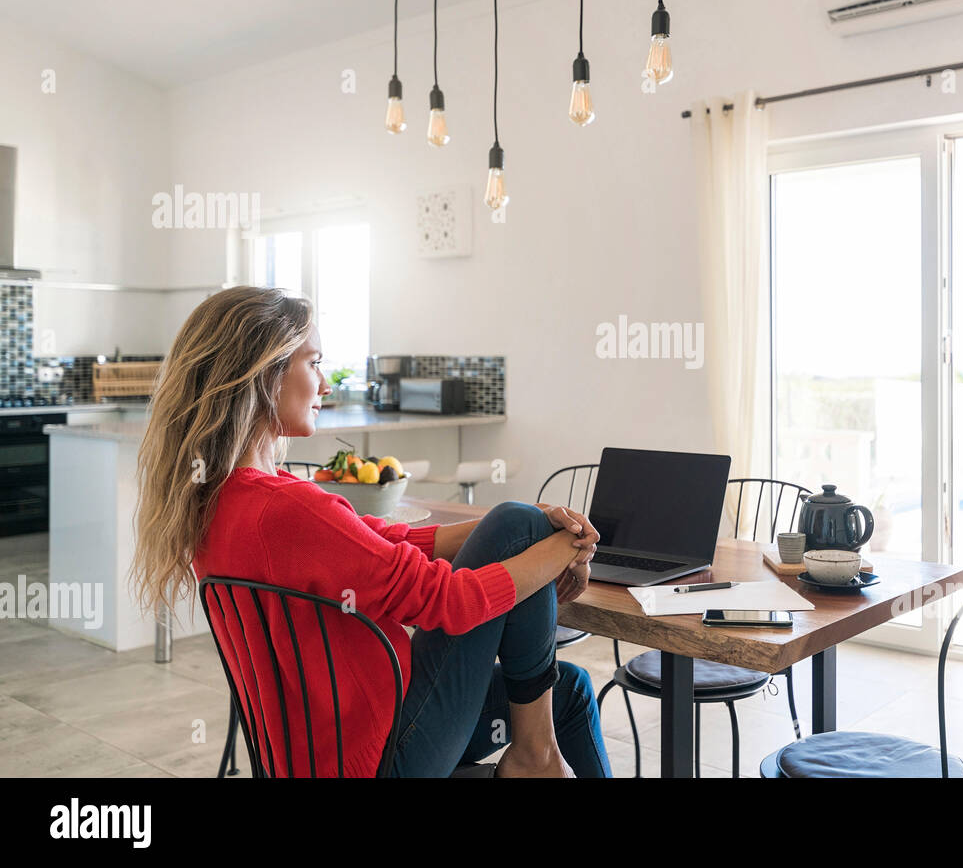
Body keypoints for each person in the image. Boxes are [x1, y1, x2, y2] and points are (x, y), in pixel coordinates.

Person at [130, 285, 611, 777]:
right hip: (379, 758)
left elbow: (382, 544)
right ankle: (535, 758)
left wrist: (520, 535)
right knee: (520, 524)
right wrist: (560, 548)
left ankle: (536, 754)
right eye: (313, 363)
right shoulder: (286, 507)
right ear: (263, 374)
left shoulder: (219, 501)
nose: (325, 386)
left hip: (311, 757)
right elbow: (448, 602)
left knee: (566, 682)